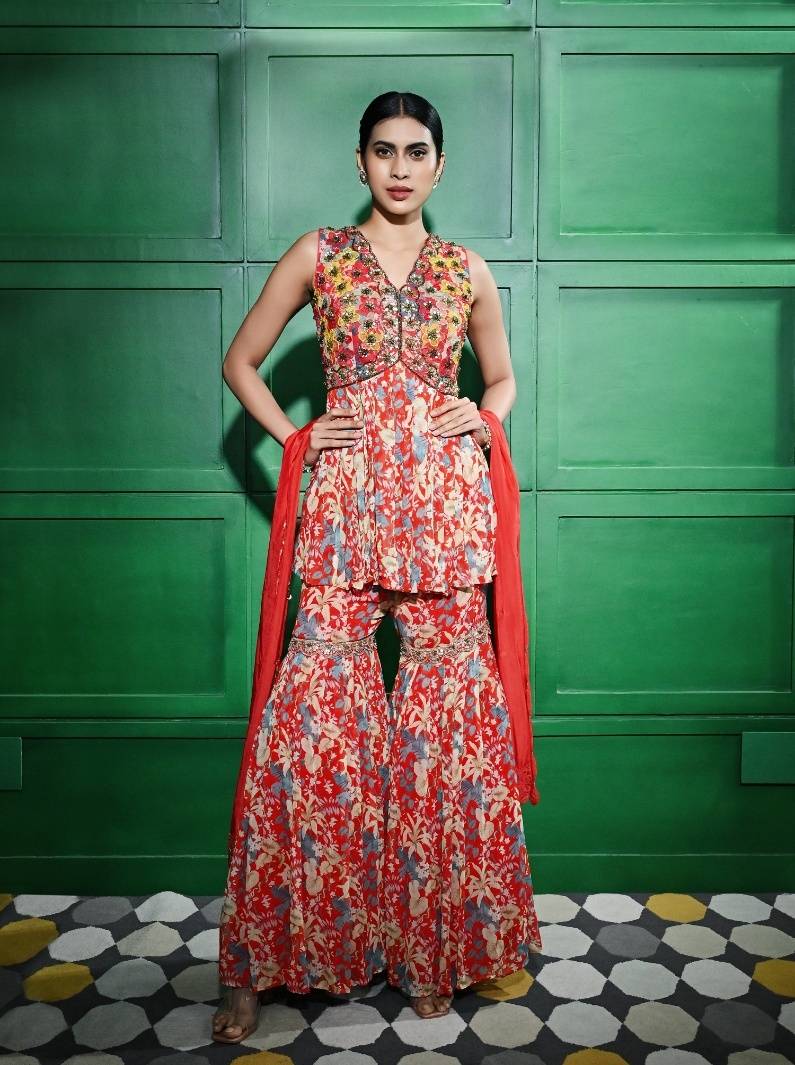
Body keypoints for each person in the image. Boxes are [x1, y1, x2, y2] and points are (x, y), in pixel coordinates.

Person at [212, 90, 542, 1044]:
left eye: (417, 151)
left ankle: (436, 947)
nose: (401, 167)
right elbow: (241, 361)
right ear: (359, 162)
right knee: (308, 731)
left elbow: (501, 376)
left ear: (440, 165)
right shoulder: (319, 254)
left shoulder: (464, 267)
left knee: (447, 736)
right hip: (348, 509)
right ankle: (266, 957)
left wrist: (482, 416)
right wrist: (298, 437)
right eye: (384, 151)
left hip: (442, 511)